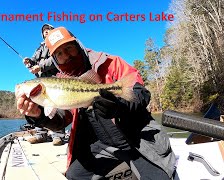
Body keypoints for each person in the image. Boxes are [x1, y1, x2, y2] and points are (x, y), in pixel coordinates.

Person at [17, 27, 176, 179]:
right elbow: (61, 122)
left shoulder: (111, 63)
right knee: (74, 175)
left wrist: (119, 106)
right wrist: (37, 116)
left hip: (138, 140)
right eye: (59, 53)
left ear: (78, 45)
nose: (66, 55)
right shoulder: (60, 81)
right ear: (55, 60)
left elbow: (141, 93)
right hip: (104, 147)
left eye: (69, 48)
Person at [22, 24, 65, 146]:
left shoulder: (56, 43)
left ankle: (59, 135)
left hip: (55, 79)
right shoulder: (39, 48)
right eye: (44, 31)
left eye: (48, 30)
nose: (46, 32)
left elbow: (56, 59)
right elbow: (34, 60)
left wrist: (40, 66)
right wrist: (28, 62)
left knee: (57, 104)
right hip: (41, 81)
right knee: (37, 104)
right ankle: (40, 134)